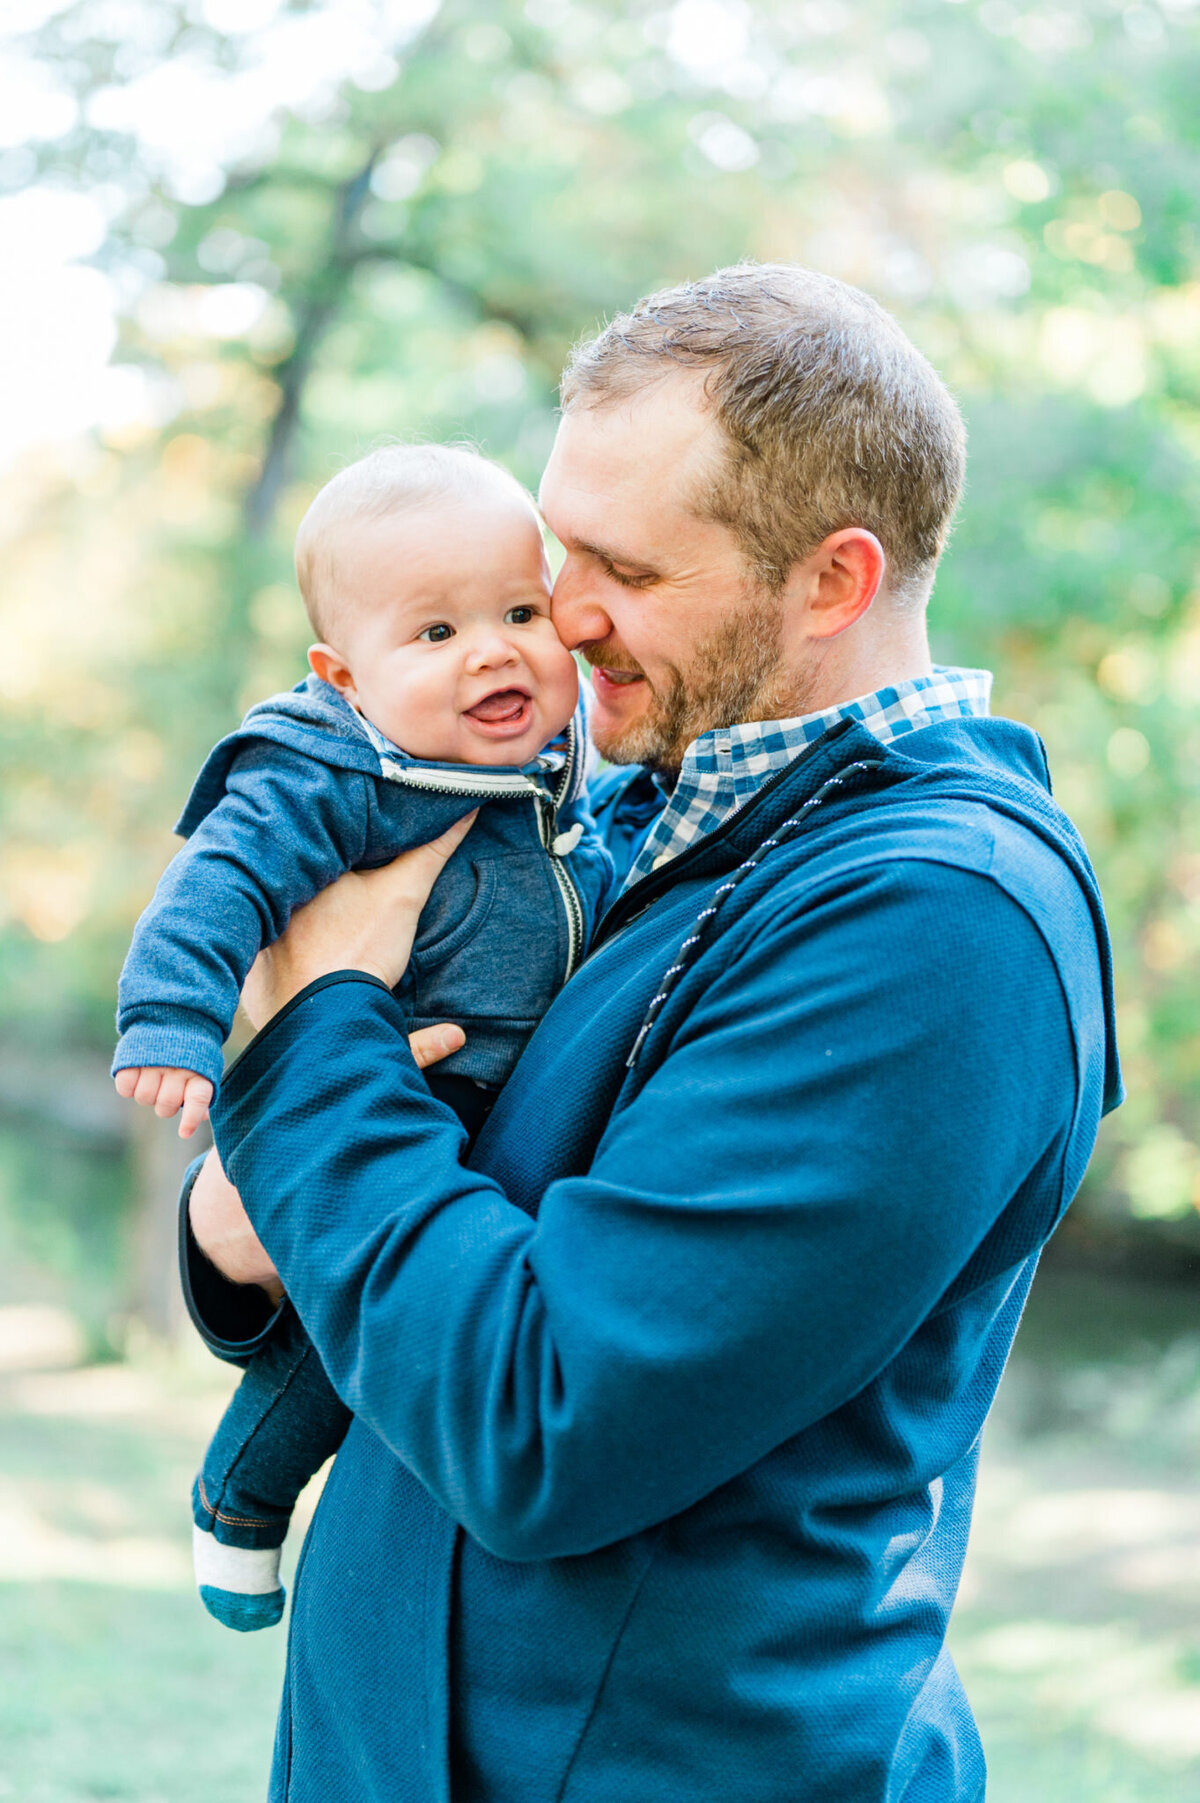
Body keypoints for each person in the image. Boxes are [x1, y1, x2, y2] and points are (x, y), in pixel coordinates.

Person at [184, 265, 1121, 1802]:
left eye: (627, 566)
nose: (563, 611)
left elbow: (545, 1418)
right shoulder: (628, 802)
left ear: (831, 581)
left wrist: (312, 1039)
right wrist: (245, 1215)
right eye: (565, 547)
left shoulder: (940, 927)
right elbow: (440, 1189)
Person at [113, 443, 610, 1630]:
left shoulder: (569, 772)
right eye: (433, 635)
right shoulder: (340, 769)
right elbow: (220, 879)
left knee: (401, 1331)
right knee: (347, 1341)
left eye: (519, 610)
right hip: (377, 1087)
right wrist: (174, 1016)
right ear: (343, 675)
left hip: (491, 1126)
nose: (492, 649)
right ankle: (238, 1498)